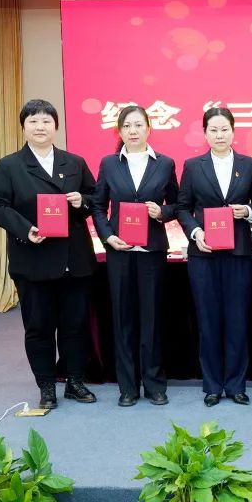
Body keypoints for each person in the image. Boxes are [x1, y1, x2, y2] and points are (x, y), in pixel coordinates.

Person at [0, 99, 98, 409]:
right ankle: (46, 386)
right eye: (33, 121)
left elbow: (95, 198)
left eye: (46, 121)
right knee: (39, 327)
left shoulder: (74, 162)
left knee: (75, 325)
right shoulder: (8, 166)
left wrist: (82, 202)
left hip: (74, 260)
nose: (40, 127)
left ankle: (74, 381)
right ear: (23, 127)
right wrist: (25, 229)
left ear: (56, 127)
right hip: (33, 259)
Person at [91, 105, 178, 407]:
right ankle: (127, 387)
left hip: (152, 252)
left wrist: (162, 212)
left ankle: (154, 384)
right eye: (127, 126)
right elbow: (98, 206)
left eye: (139, 125)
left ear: (149, 128)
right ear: (120, 130)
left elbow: (178, 204)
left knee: (152, 320)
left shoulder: (164, 164)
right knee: (123, 319)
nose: (133, 131)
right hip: (120, 252)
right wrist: (107, 236)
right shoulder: (109, 163)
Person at [176, 107, 252, 407]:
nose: (219, 135)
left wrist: (247, 211)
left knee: (237, 320)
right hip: (204, 254)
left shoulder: (249, 165)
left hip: (238, 253)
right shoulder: (193, 166)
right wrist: (195, 232)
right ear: (205, 133)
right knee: (208, 320)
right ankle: (212, 385)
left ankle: (236, 385)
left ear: (233, 132)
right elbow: (182, 207)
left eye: (224, 129)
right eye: (213, 130)